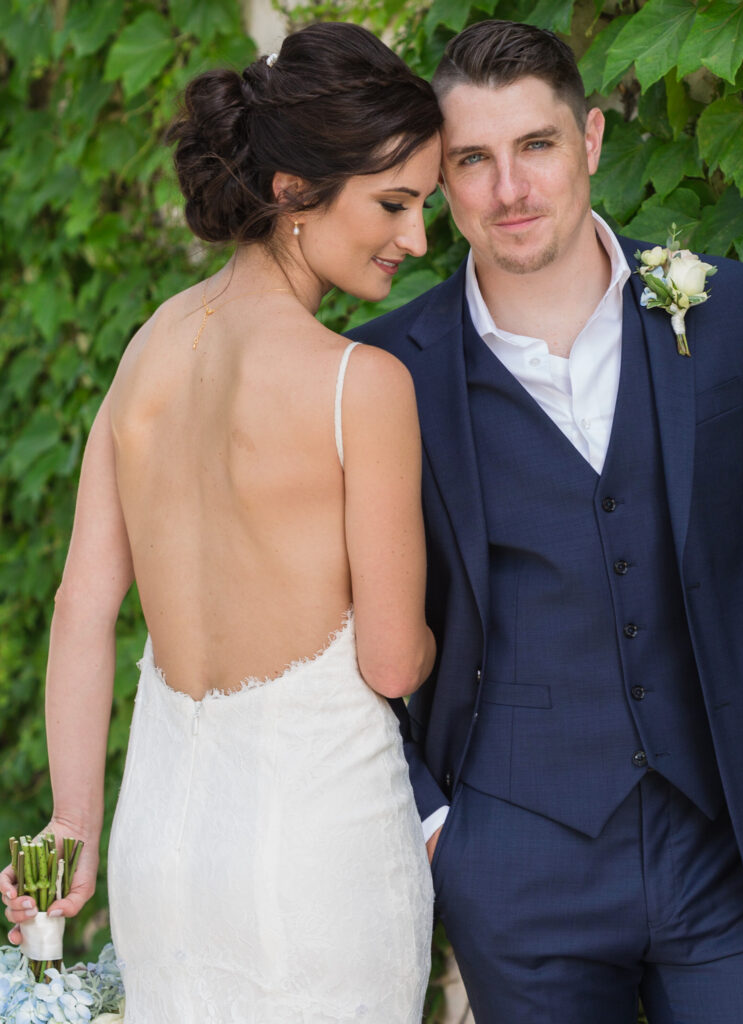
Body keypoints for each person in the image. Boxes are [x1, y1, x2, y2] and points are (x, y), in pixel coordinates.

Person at [349, 19, 743, 1023]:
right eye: (472, 159)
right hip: (516, 871)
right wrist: (437, 829)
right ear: (443, 178)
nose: (508, 188)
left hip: (735, 849)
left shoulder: (721, 309)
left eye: (537, 146)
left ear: (593, 141)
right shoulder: (388, 369)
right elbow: (334, 625)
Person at [1, 21, 441, 1023]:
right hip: (320, 861)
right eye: (393, 203)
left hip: (160, 859)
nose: (416, 238)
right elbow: (391, 662)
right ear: (292, 191)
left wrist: (71, 820)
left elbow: (80, 604)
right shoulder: (360, 384)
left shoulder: (147, 351)